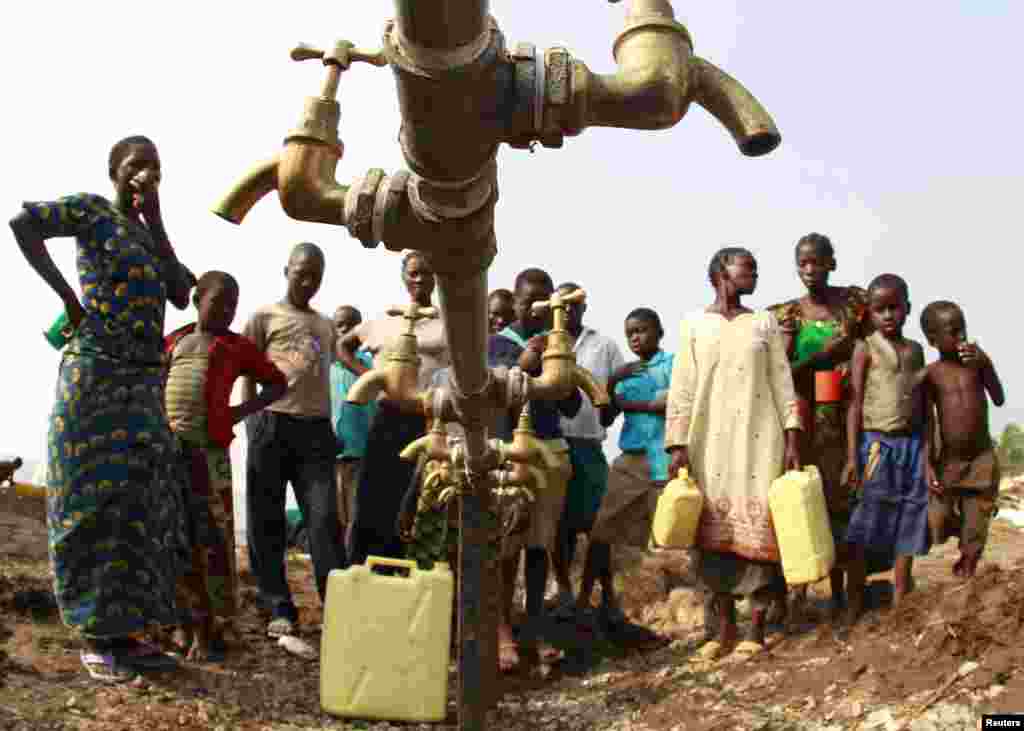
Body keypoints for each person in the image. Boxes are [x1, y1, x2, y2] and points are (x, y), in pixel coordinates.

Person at [9, 134, 195, 682]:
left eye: (156, 167)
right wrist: (68, 299)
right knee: (92, 500)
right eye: (137, 165)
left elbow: (182, 293)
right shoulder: (91, 212)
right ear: (114, 170)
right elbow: (24, 223)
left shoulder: (147, 233)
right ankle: (95, 637)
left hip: (141, 382)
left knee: (141, 501)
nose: (146, 174)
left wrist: (157, 221)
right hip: (95, 373)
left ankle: (129, 633)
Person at [665, 247, 802, 661]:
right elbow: (683, 387)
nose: (755, 272)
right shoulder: (693, 324)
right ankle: (721, 630)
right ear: (721, 273)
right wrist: (677, 444)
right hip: (708, 443)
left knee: (760, 533)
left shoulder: (765, 323)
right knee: (710, 537)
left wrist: (793, 436)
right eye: (747, 266)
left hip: (760, 441)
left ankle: (755, 630)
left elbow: (782, 382)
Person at [164, 271, 287, 661]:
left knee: (212, 542)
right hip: (171, 454)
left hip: (209, 456)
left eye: (234, 305)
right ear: (198, 298)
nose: (228, 311)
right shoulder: (176, 340)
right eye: (220, 302)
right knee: (173, 538)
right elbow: (155, 379)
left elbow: (277, 383)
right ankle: (181, 622)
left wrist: (237, 413)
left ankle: (212, 627)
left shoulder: (235, 346)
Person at [768, 233, 881, 620]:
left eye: (817, 262)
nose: (809, 270)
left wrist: (852, 361)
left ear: (832, 263)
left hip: (847, 419)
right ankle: (801, 594)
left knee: (847, 505)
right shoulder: (788, 315)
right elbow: (783, 374)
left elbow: (873, 347)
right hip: (803, 425)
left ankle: (849, 596)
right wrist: (824, 356)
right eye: (803, 263)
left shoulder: (854, 303)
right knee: (808, 508)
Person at [242, 242, 343, 638]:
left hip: (315, 430)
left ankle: (336, 606)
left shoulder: (325, 325)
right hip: (271, 422)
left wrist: (329, 422)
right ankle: (278, 607)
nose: (308, 280)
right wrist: (249, 416)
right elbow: (246, 368)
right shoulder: (265, 316)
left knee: (322, 518)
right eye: (302, 272)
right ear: (286, 270)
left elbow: (322, 378)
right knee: (265, 519)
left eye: (316, 275)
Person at [489, 268, 581, 672]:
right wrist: (525, 365)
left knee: (539, 545)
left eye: (543, 300)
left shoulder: (554, 342)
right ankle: (501, 630)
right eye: (529, 300)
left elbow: (572, 406)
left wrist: (558, 363)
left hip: (549, 448)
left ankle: (534, 628)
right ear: (515, 300)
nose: (536, 308)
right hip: (512, 449)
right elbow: (491, 401)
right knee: (508, 543)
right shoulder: (497, 344)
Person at [340, 251, 449, 565]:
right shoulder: (385, 319)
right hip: (386, 417)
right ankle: (361, 568)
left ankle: (403, 569)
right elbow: (344, 345)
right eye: (413, 273)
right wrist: (372, 378)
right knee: (372, 496)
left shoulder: (446, 323)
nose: (419, 279)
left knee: (412, 500)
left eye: (426, 273)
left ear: (436, 277)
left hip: (426, 419)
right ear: (404, 276)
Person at [843, 274, 930, 623]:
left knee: (911, 513)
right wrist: (852, 456)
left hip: (911, 443)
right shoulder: (865, 348)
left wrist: (927, 453)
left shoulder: (916, 350)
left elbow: (924, 407)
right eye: (881, 310)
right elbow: (854, 403)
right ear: (870, 313)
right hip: (876, 443)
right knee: (869, 516)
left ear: (907, 308)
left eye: (895, 307)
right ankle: (853, 601)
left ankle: (900, 599)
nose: (888, 315)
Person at [581, 308, 673, 636]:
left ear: (659, 332)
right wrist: (614, 379)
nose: (635, 337)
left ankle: (708, 608)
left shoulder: (672, 364)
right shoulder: (625, 373)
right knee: (601, 529)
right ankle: (583, 601)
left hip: (666, 457)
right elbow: (606, 417)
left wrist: (633, 405)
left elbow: (675, 405)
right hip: (632, 459)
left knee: (680, 533)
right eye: (630, 332)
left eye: (642, 330)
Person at [549, 281, 626, 621]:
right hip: (555, 442)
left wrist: (607, 405)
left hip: (590, 442)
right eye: (561, 304)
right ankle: (564, 588)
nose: (567, 311)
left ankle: (602, 592)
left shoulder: (604, 345)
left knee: (600, 525)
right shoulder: (547, 344)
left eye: (574, 304)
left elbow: (614, 396)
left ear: (583, 306)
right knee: (559, 524)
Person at [919, 301, 1005, 579]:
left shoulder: (977, 364)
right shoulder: (932, 375)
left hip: (981, 459)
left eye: (963, 329)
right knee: (936, 524)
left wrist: (986, 363)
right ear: (933, 340)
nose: (961, 338)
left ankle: (967, 566)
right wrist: (927, 464)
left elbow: (999, 397)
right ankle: (963, 528)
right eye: (953, 332)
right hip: (950, 463)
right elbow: (927, 422)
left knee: (975, 532)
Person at [329, 305, 377, 547]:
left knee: (357, 515)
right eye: (341, 325)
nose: (347, 329)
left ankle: (352, 560)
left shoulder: (371, 366)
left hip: (362, 453)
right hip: (333, 454)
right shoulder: (325, 368)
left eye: (353, 325)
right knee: (334, 515)